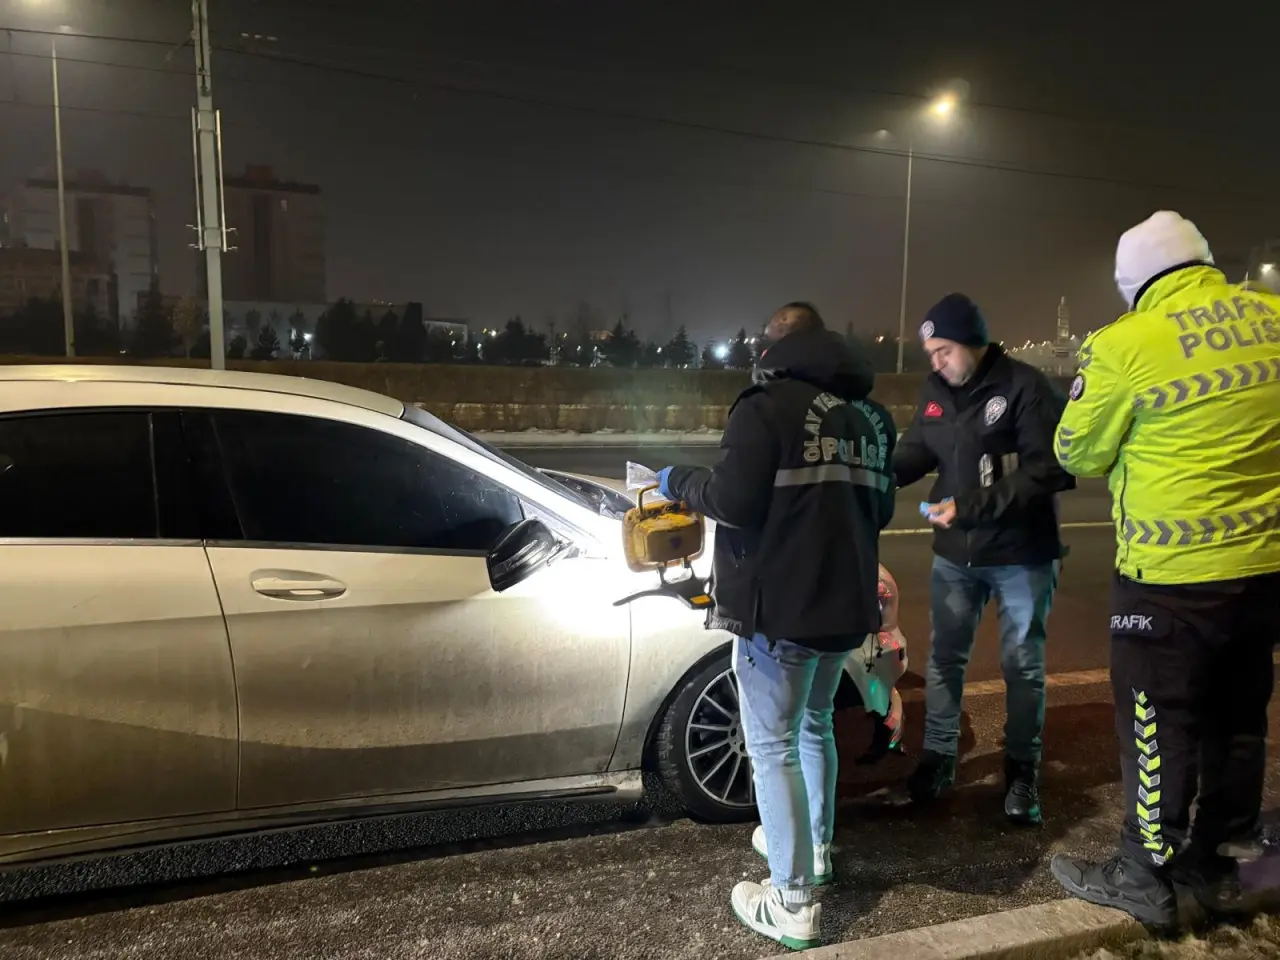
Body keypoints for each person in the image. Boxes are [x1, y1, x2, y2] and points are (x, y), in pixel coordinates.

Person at [1049, 211, 1280, 927]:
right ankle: (1218, 860)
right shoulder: (1272, 318)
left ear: (1136, 282)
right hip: (1266, 570)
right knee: (1240, 717)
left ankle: (1144, 872)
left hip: (1170, 577)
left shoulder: (1128, 343)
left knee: (1157, 724)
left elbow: (1077, 452)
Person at [656, 302, 896, 951]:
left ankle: (791, 899)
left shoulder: (765, 407)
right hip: (842, 608)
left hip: (779, 613)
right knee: (814, 726)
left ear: (773, 348)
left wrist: (678, 480)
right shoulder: (871, 418)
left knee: (772, 746)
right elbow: (883, 507)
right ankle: (814, 848)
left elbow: (733, 500)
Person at [893, 293, 1075, 823]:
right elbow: (918, 448)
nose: (937, 362)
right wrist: (876, 471)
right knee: (945, 661)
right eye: (930, 353)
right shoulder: (935, 391)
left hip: (1021, 554)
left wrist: (969, 507)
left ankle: (1022, 772)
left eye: (944, 350)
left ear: (974, 343)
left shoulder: (1024, 386)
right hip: (955, 555)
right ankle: (939, 759)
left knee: (1022, 666)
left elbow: (1048, 470)